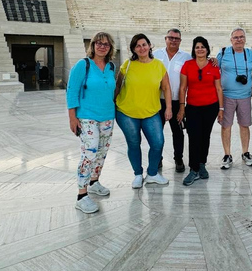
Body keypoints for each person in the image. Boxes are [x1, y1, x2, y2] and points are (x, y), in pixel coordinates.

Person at [66, 31, 117, 214]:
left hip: (107, 116)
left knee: (101, 152)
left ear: (110, 47)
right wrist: (72, 117)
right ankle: (81, 195)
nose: (102, 46)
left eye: (106, 44)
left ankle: (94, 182)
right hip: (87, 116)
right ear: (93, 45)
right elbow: (72, 90)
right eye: (98, 43)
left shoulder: (111, 66)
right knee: (90, 152)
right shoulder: (83, 65)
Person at [115, 33, 172, 188]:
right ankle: (138, 174)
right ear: (134, 49)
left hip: (151, 112)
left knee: (158, 143)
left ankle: (152, 173)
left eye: (144, 44)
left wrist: (168, 108)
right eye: (137, 46)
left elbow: (166, 88)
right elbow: (118, 86)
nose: (141, 48)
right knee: (133, 143)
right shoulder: (127, 65)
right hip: (126, 112)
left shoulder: (158, 65)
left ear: (149, 45)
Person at [177, 36, 224, 186]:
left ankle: (202, 163)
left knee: (205, 136)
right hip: (193, 108)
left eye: (203, 47)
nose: (200, 49)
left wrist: (221, 109)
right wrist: (182, 108)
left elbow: (218, 88)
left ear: (207, 49)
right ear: (194, 49)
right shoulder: (187, 65)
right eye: (197, 47)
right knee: (194, 137)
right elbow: (183, 88)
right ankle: (194, 169)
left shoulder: (214, 65)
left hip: (211, 107)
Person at [217, 27, 252, 169]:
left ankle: (245, 152)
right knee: (226, 125)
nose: (239, 39)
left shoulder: (249, 54)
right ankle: (227, 154)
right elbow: (214, 69)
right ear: (231, 40)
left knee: (244, 125)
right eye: (235, 37)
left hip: (244, 97)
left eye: (241, 37)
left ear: (245, 39)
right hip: (227, 96)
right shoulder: (223, 53)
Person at [153, 28, 190, 173]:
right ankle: (157, 158)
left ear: (180, 41)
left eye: (177, 38)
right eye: (171, 38)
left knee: (178, 132)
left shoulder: (186, 57)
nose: (173, 40)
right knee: (156, 132)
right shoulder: (155, 55)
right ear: (165, 39)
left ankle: (178, 158)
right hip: (157, 101)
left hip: (177, 101)